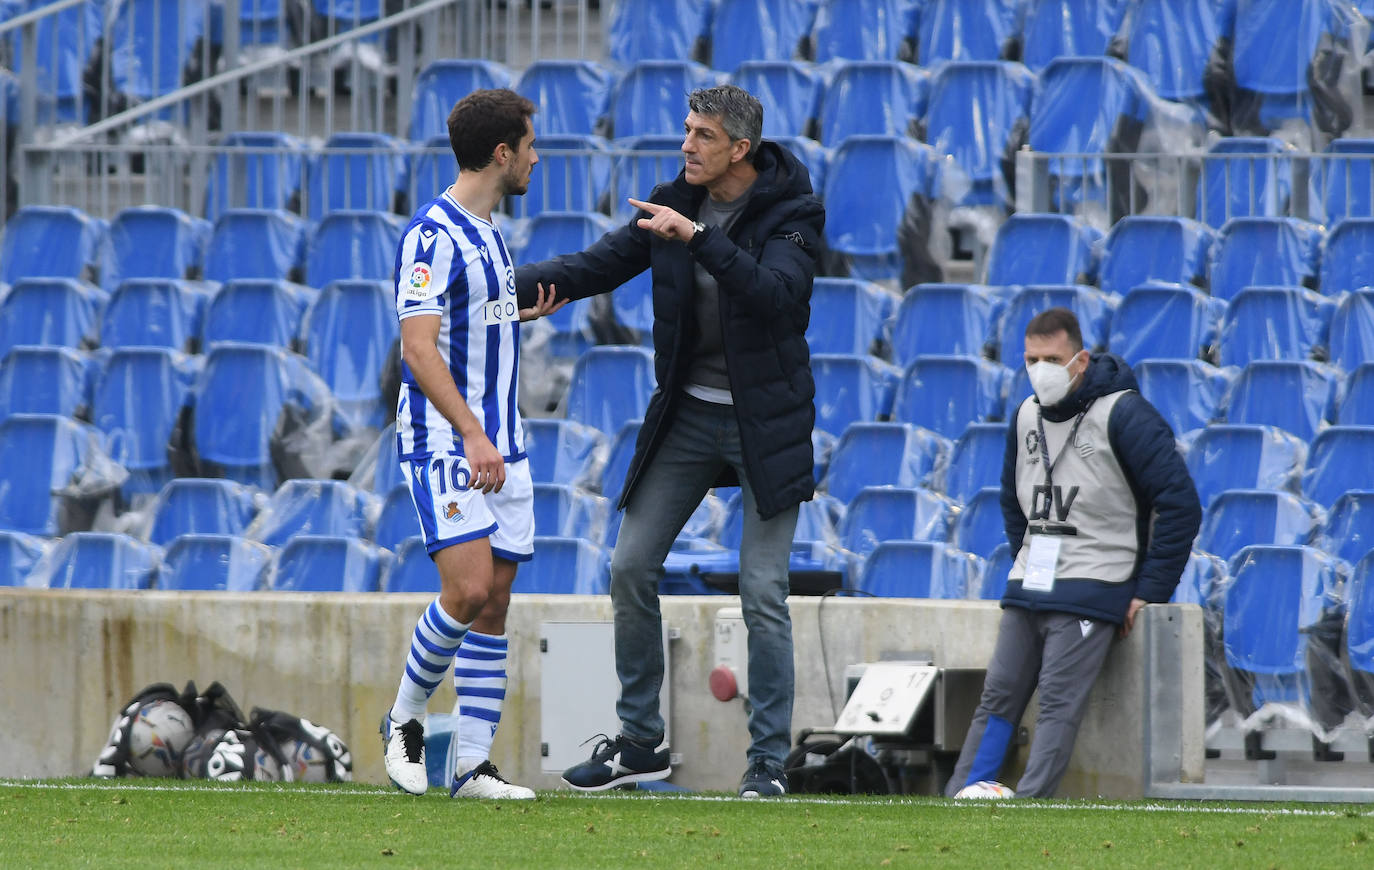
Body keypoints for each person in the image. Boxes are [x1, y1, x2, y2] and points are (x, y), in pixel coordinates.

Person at [513, 85, 825, 798]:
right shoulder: (672, 202)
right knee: (629, 567)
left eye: (703, 135)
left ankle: (769, 761)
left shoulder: (794, 214)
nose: (686, 144)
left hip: (765, 426)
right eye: (686, 130)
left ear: (739, 149)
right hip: (686, 417)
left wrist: (701, 240)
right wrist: (509, 286)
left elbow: (777, 296)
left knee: (762, 591)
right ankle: (638, 744)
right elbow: (598, 265)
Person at [380, 88, 565, 800]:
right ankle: (403, 725)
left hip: (503, 445)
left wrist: (511, 314)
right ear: (501, 153)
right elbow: (418, 351)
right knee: (467, 589)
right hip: (450, 442)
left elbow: (464, 323)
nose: (535, 157)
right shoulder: (432, 235)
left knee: (495, 605)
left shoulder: (489, 233)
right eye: (529, 145)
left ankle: (472, 767)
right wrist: (471, 434)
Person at [946, 307, 1202, 799]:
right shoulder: (1024, 414)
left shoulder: (1125, 413)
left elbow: (1179, 504)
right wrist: (1027, 554)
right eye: (1031, 358)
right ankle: (963, 796)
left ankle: (1028, 805)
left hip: (1094, 584)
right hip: (1029, 584)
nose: (1039, 369)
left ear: (1080, 359)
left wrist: (1149, 589)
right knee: (997, 699)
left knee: (1058, 704)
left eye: (1052, 358)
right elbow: (1012, 497)